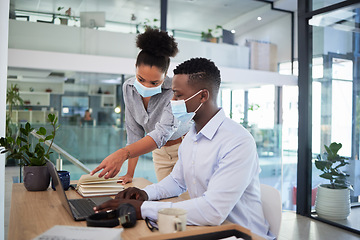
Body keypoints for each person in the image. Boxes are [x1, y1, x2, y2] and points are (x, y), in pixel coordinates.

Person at [94, 58, 275, 240]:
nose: (172, 101)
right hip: (210, 231)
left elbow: (213, 211)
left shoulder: (237, 141)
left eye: (178, 96)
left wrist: (143, 209)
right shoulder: (191, 135)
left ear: (203, 96)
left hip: (243, 235)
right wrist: (144, 194)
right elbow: (177, 181)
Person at [91, 28, 190, 183]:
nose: (147, 86)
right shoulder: (128, 87)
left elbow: (162, 133)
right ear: (135, 68)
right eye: (141, 78)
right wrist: (130, 173)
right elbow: (134, 132)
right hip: (159, 152)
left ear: (165, 76)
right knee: (165, 199)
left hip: (185, 149)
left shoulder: (175, 91)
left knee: (185, 203)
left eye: (154, 82)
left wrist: (123, 154)